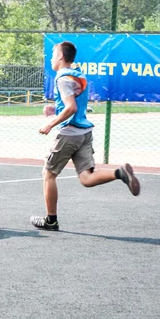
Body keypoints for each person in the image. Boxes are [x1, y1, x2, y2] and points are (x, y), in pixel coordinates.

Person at [32, 41, 140, 231]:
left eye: (52, 54)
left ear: (60, 56)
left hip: (68, 134)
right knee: (86, 178)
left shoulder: (62, 79)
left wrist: (50, 123)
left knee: (48, 174)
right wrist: (54, 109)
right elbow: (75, 104)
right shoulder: (78, 75)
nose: (50, 57)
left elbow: (71, 108)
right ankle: (119, 173)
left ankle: (51, 220)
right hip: (85, 133)